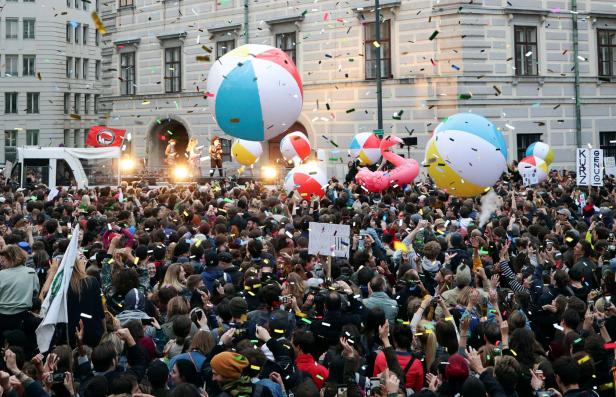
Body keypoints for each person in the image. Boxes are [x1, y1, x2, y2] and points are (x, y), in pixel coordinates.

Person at [0, 245, 39, 342]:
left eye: (3, 260)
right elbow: (35, 292)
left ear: (12, 259)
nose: (1, 262)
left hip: (2, 317)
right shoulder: (31, 272)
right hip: (22, 316)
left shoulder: (1, 274)